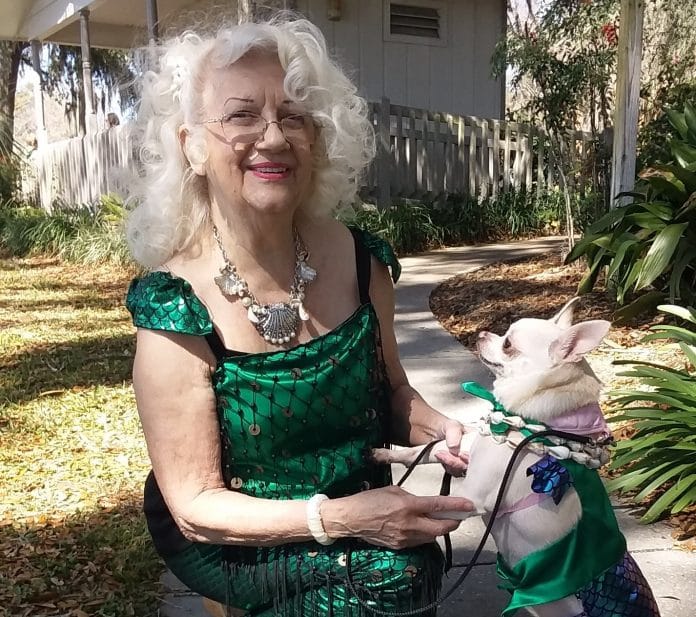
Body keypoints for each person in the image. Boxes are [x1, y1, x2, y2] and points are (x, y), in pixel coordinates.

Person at [124, 15, 472, 617]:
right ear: (191, 147)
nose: (274, 137)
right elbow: (197, 505)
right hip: (241, 535)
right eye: (241, 115)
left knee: (410, 570)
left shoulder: (362, 263)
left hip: (358, 511)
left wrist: (438, 427)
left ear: (317, 139)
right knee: (377, 585)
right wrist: (337, 519)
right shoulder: (174, 306)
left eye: (294, 116)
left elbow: (393, 393)